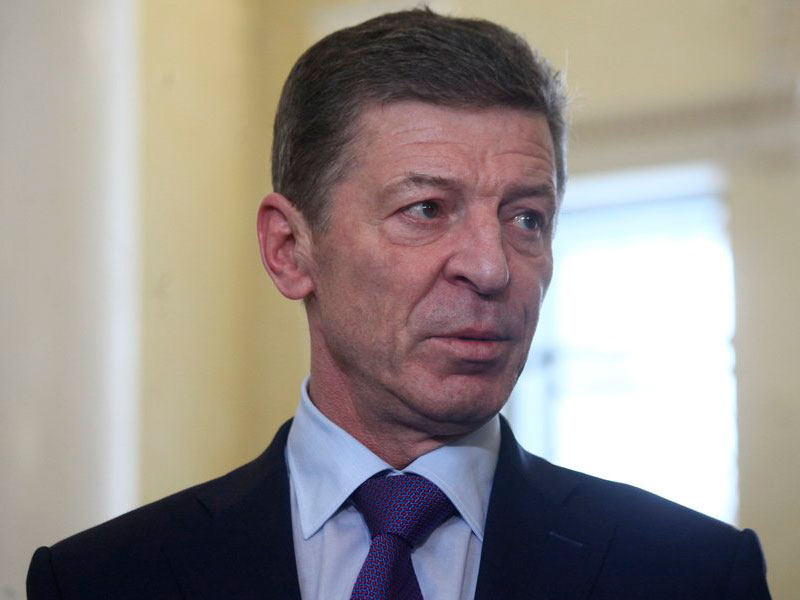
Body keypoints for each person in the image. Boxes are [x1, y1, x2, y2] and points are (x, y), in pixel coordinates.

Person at [27, 8, 771, 599]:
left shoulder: (694, 575)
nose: (490, 267)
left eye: (526, 218)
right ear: (290, 250)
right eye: (426, 209)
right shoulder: (101, 581)